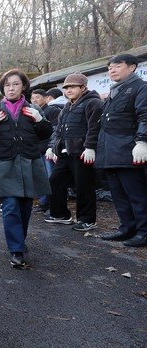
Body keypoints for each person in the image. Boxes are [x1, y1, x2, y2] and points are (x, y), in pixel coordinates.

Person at [0, 69, 52, 268]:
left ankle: (19, 240)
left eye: (15, 84)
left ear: (24, 87)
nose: (11, 88)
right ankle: (16, 250)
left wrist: (39, 119)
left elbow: (46, 133)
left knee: (25, 206)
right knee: (10, 206)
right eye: (7, 85)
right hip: (5, 163)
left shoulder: (33, 109)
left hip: (28, 161)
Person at [96, 54, 147, 248]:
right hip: (111, 151)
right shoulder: (115, 90)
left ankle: (144, 232)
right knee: (118, 193)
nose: (112, 70)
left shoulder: (141, 88)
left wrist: (142, 141)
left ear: (132, 67)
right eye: (110, 67)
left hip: (129, 150)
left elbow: (145, 115)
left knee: (136, 194)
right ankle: (127, 228)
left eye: (117, 66)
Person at [44, 73, 103, 231]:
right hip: (65, 153)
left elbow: (94, 128)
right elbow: (60, 130)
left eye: (72, 86)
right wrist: (54, 147)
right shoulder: (67, 106)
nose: (68, 90)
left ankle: (87, 220)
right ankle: (61, 214)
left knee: (84, 186)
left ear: (83, 87)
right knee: (55, 181)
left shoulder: (94, 103)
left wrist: (90, 147)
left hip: (82, 153)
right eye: (66, 87)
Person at [31, 88, 63, 213]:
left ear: (46, 97)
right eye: (32, 98)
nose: (34, 100)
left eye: (37, 97)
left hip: (48, 150)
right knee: (40, 178)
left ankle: (52, 205)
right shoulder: (30, 111)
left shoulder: (53, 110)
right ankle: (43, 203)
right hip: (36, 150)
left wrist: (52, 147)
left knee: (51, 178)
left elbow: (55, 130)